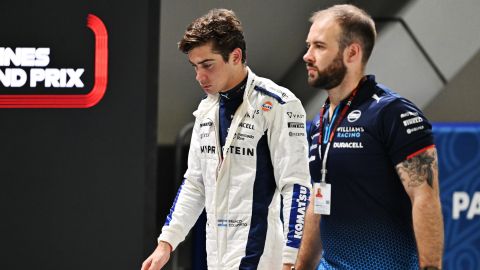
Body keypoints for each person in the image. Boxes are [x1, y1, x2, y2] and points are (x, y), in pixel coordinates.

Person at [141, 9, 311, 270]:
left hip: (263, 257)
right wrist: (167, 242)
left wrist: (292, 260)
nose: (200, 77)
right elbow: (195, 183)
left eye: (207, 65)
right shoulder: (206, 110)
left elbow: (296, 186)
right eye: (195, 67)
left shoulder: (278, 103)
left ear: (236, 56)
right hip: (217, 255)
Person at [294, 4, 444, 270]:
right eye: (308, 46)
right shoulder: (321, 121)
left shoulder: (392, 113)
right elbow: (318, 201)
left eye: (319, 46)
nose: (307, 56)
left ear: (352, 52)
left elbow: (424, 197)